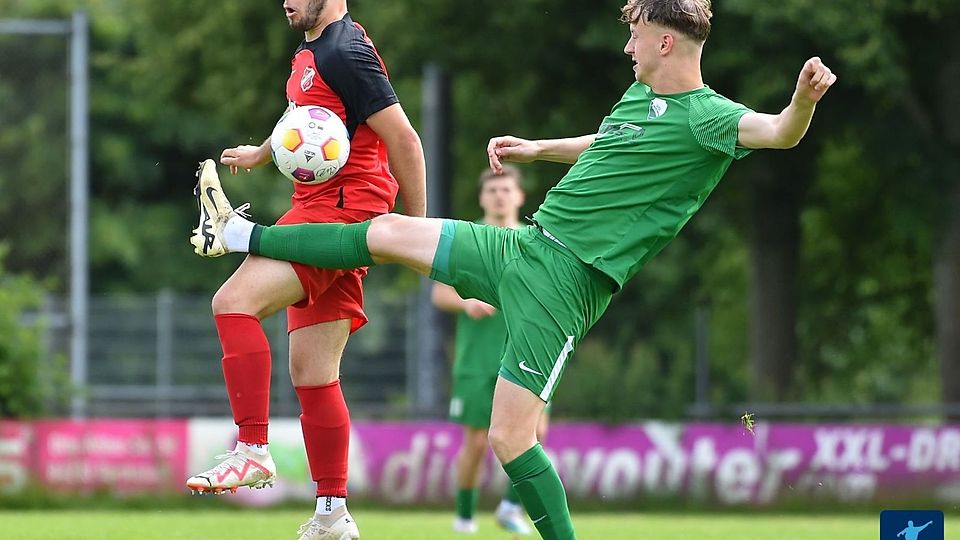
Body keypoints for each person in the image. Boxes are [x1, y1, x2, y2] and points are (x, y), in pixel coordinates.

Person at [189, 1, 836, 538]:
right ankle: (245, 233)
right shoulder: (643, 99)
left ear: (666, 42)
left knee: (509, 439)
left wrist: (802, 101)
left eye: (635, 35)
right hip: (527, 246)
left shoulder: (712, 119)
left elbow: (778, 131)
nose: (627, 48)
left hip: (567, 286)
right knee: (388, 230)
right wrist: (539, 148)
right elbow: (607, 142)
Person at [185, 1, 425, 539]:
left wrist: (417, 232)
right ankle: (332, 514)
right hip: (323, 208)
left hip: (341, 212)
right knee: (314, 375)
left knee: (232, 303)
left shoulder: (345, 51)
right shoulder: (313, 49)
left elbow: (405, 140)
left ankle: (252, 448)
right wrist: (264, 151)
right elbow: (308, 120)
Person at [431, 166, 549, 536]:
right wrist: (466, 304)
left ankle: (511, 508)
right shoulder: (471, 238)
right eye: (493, 189)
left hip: (526, 353)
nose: (500, 195)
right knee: (478, 441)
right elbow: (439, 292)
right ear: (483, 198)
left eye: (506, 189)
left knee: (536, 433)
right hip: (477, 359)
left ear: (519, 196)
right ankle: (465, 518)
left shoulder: (533, 241)